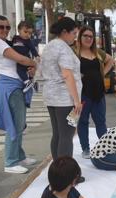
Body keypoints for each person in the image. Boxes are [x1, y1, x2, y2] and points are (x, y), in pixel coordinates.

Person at [0, 15, 37, 174]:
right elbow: (21, 60)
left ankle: (19, 156)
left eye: (7, 27)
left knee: (20, 123)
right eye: (1, 27)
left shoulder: (6, 42)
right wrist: (34, 63)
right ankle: (10, 161)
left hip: (15, 85)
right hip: (10, 86)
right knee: (14, 124)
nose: (5, 30)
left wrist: (30, 67)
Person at [41, 17, 83, 168]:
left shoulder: (50, 46)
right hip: (65, 98)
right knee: (66, 136)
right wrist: (77, 101)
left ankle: (57, 169)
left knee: (58, 134)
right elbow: (67, 74)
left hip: (52, 97)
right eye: (74, 33)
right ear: (65, 32)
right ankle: (65, 173)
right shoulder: (63, 48)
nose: (75, 37)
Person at [76, 26, 114, 159]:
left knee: (101, 121)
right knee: (83, 121)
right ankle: (85, 149)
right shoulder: (74, 52)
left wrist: (102, 74)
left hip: (98, 92)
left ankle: (105, 146)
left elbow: (110, 60)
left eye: (91, 36)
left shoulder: (97, 52)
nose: (88, 39)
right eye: (85, 36)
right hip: (83, 93)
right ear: (80, 37)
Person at [11, 21, 40, 93]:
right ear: (19, 30)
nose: (28, 35)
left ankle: (27, 82)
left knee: (20, 70)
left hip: (25, 59)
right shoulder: (15, 38)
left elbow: (33, 49)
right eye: (25, 32)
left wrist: (36, 55)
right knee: (27, 72)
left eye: (30, 33)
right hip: (19, 58)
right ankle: (33, 83)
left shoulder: (28, 41)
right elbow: (11, 45)